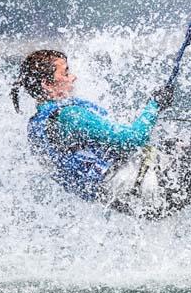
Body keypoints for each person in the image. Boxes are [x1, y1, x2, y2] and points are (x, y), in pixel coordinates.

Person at [10, 50, 174, 212]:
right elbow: (134, 139)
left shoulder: (37, 124)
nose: (73, 77)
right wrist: (155, 105)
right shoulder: (70, 116)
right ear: (47, 84)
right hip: (145, 188)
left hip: (120, 200)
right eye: (66, 73)